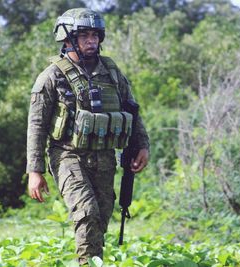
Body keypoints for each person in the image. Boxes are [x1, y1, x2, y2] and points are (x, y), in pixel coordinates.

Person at [26, 8, 149, 265]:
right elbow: (36, 126)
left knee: (101, 219)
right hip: (67, 155)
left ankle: (92, 260)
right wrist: (35, 171)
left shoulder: (112, 73)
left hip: (104, 157)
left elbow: (132, 109)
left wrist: (142, 146)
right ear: (67, 38)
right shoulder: (52, 76)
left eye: (95, 35)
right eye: (84, 35)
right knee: (87, 213)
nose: (92, 40)